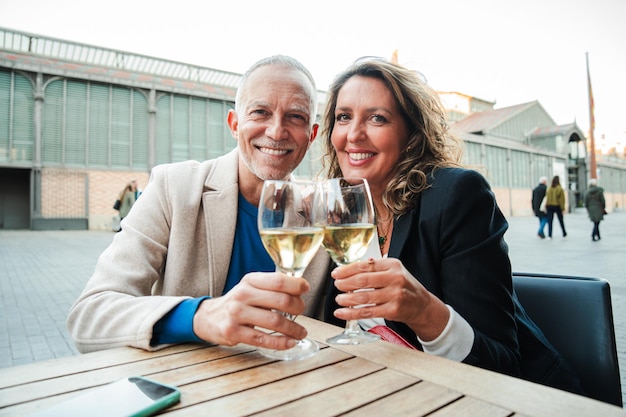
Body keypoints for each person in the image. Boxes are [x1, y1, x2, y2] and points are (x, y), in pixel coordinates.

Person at [319, 58, 583, 394]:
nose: (354, 134)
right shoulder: (337, 209)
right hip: (394, 390)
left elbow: (501, 364)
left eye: (377, 118)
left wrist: (424, 311)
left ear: (411, 135)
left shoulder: (455, 196)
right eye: (344, 117)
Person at [67, 55, 331, 354]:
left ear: (312, 136)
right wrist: (201, 316)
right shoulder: (173, 187)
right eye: (260, 112)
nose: (276, 131)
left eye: (295, 116)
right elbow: (90, 316)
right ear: (234, 124)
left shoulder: (319, 215)